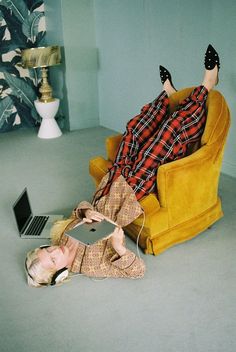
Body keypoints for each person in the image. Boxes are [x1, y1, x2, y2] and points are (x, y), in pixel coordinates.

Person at [25, 44, 220, 287]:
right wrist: (119, 248)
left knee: (133, 132)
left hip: (111, 183)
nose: (56, 252)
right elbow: (137, 271)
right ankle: (208, 83)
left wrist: (87, 212)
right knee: (164, 139)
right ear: (60, 274)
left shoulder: (63, 238)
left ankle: (167, 95)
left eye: (48, 251)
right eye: (53, 261)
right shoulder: (91, 266)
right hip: (130, 194)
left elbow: (79, 209)